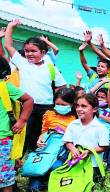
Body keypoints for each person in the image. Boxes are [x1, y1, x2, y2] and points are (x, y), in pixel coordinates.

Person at [4, 19, 66, 154]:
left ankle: (36, 161)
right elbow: (8, 45)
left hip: (46, 107)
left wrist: (54, 98)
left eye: (33, 51)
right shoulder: (23, 63)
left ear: (43, 52)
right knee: (22, 136)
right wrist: (10, 27)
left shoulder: (51, 68)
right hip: (26, 107)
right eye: (26, 51)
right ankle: (18, 159)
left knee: (40, 137)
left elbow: (61, 86)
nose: (29, 53)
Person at [0, 57, 33, 192]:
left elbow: (28, 99)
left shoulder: (4, 87)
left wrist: (22, 120)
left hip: (2, 137)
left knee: (4, 169)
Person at [28, 87, 76, 192]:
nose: (60, 107)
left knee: (56, 166)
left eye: (64, 105)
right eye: (57, 104)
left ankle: (51, 179)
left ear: (72, 104)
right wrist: (40, 139)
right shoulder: (49, 114)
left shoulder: (75, 118)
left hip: (64, 147)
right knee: (33, 188)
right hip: (47, 145)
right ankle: (38, 179)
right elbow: (43, 131)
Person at [63, 94, 110, 182]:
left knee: (84, 181)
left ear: (95, 109)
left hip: (93, 165)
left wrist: (88, 151)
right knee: (63, 176)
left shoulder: (101, 127)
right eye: (77, 106)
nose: (79, 109)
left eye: (84, 106)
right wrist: (73, 149)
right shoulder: (73, 124)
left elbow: (104, 147)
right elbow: (67, 141)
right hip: (75, 162)